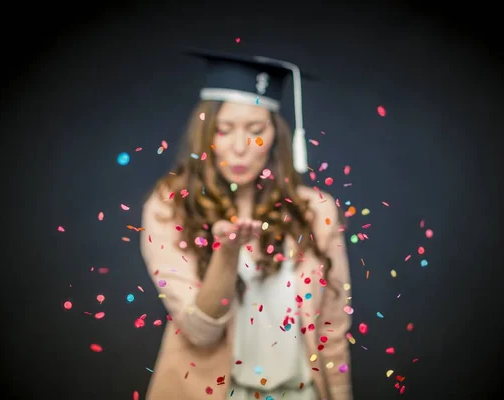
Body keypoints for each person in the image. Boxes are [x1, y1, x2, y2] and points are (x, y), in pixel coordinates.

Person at [139, 49, 352, 400]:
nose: (240, 147)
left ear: (274, 137)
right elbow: (199, 330)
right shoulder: (169, 208)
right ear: (205, 134)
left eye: (255, 131)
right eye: (224, 130)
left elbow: (333, 328)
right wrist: (228, 254)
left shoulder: (316, 210)